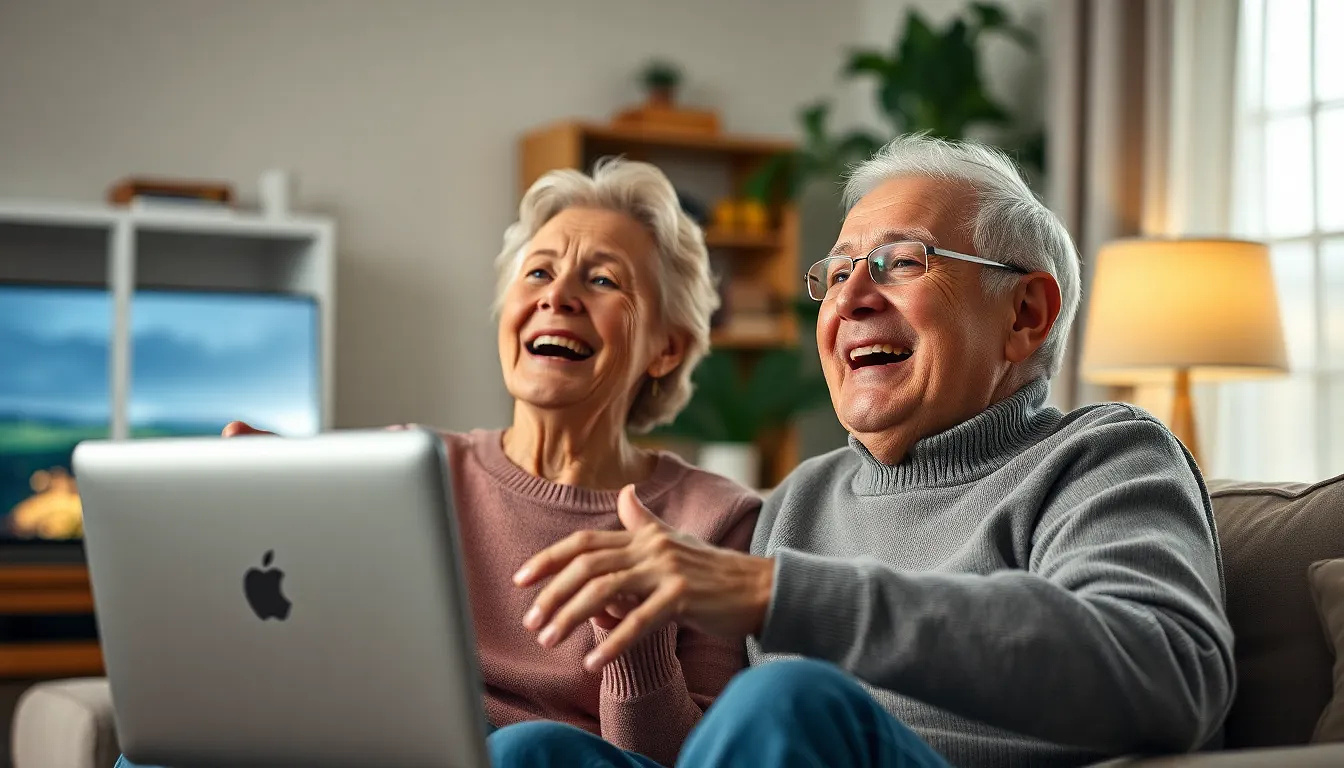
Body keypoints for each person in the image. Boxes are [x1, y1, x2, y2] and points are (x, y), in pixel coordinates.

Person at [493, 135, 1236, 768]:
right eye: (839, 272)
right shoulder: (798, 501)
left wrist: (776, 594)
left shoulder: (1104, 458)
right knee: (531, 753)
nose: (849, 300)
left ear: (1025, 313)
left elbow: (1169, 670)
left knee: (790, 699)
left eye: (901, 262)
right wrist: (641, 646)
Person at [114, 158, 760, 768]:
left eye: (601, 279)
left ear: (666, 348)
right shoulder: (406, 468)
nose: (557, 295)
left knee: (527, 751)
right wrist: (271, 518)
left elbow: (693, 761)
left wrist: (637, 647)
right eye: (537, 272)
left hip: (544, 760)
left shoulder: (713, 519)